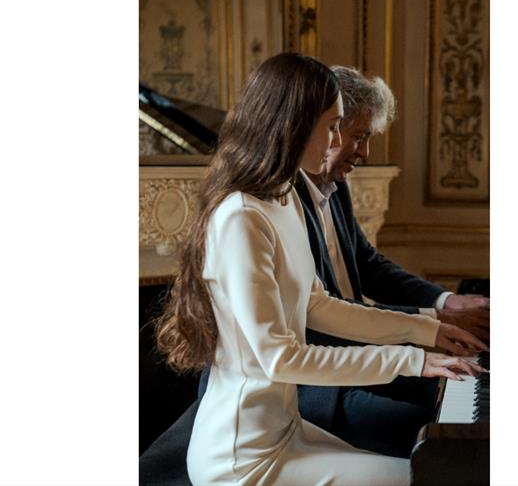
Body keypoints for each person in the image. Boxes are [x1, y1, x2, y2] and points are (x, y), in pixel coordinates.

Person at [156, 52, 487, 486]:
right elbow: (279, 358)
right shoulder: (240, 217)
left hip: (285, 430)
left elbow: (319, 305)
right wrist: (412, 360)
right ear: (296, 124)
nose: (335, 141)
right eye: (332, 126)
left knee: (439, 471)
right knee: (431, 479)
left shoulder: (283, 198)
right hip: (241, 456)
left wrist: (428, 331)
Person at [293, 65, 491, 457]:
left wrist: (445, 302)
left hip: (364, 355)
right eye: (359, 136)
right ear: (328, 129)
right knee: (436, 436)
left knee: (461, 396)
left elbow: (368, 264)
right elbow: (324, 316)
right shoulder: (285, 204)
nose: (365, 153)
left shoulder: (335, 186)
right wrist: (432, 321)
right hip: (316, 385)